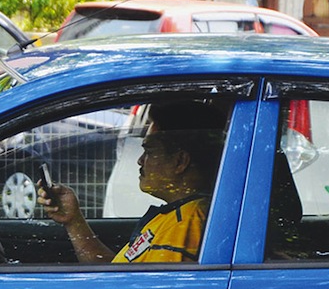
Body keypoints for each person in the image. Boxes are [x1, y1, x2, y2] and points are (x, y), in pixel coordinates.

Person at [37, 101, 227, 263]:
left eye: (150, 151)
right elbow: (116, 276)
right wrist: (74, 221)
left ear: (180, 161)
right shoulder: (175, 217)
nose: (140, 160)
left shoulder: (184, 225)